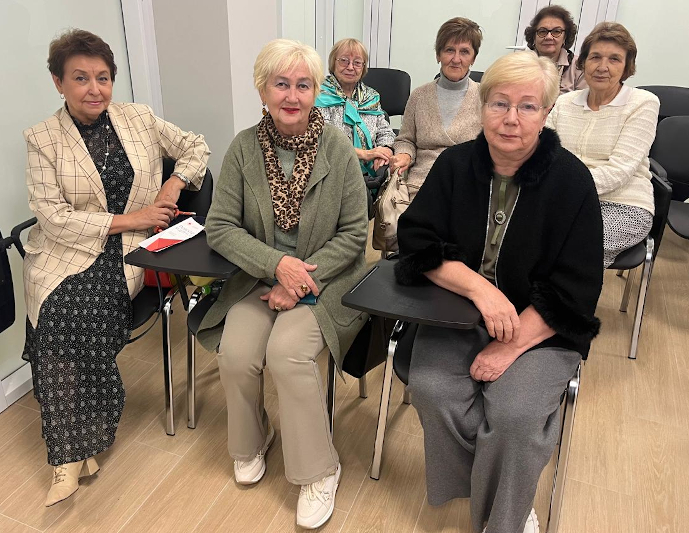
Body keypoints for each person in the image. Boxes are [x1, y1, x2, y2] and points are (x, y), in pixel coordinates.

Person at [394, 52, 603, 533]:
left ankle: (505, 515)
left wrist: (511, 344)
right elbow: (417, 240)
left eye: (528, 106)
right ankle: (502, 485)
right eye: (500, 103)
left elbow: (576, 287)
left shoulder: (572, 181)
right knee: (433, 389)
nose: (511, 118)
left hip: (541, 325)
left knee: (514, 413)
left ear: (547, 113)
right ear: (481, 106)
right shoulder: (454, 165)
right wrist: (480, 290)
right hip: (458, 311)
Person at [22, 29, 209, 507]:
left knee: (77, 319)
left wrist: (172, 186)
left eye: (102, 77)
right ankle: (73, 452)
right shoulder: (42, 139)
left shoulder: (138, 118)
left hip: (128, 251)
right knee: (56, 317)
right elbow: (53, 217)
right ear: (58, 82)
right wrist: (135, 217)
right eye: (80, 78)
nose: (94, 89)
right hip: (64, 252)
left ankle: (71, 452)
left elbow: (196, 147)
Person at [196, 39, 368, 530]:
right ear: (263, 90)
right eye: (281, 84)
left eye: (303, 85)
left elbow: (355, 233)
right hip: (260, 277)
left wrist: (296, 280)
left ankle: (320, 469)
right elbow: (220, 227)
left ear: (316, 92)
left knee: (288, 352)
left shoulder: (337, 147)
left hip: (327, 279)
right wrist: (277, 267)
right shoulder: (243, 148)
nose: (292, 95)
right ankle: (254, 438)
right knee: (236, 352)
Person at [547, 22, 659, 268]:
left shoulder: (643, 103)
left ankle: (562, 293)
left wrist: (562, 189)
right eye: (595, 57)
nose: (602, 67)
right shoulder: (565, 103)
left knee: (575, 248)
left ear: (627, 67)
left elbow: (620, 170)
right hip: (564, 198)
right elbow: (545, 154)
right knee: (522, 236)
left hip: (623, 204)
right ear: (583, 62)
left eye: (614, 59)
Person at [377, 17, 482, 252]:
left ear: (473, 58)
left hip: (467, 185)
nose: (456, 58)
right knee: (413, 241)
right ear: (438, 54)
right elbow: (406, 139)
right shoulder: (419, 96)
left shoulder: (485, 97)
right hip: (420, 183)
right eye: (449, 50)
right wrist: (404, 155)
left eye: (464, 51)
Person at [315, 38, 395, 184]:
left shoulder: (371, 97)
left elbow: (385, 132)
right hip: (332, 172)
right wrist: (364, 154)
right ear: (333, 63)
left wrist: (384, 151)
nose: (350, 67)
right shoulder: (319, 95)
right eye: (344, 61)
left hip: (373, 173)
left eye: (357, 62)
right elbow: (323, 140)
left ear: (363, 67)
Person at [524, 5, 587, 93]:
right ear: (534, 36)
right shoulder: (520, 63)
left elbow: (582, 99)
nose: (548, 37)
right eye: (542, 31)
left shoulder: (579, 67)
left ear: (565, 37)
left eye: (556, 31)